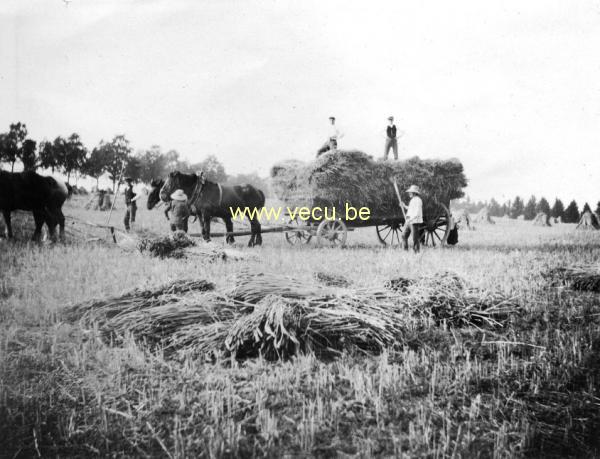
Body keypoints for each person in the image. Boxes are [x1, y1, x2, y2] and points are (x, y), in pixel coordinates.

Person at [401, 185, 423, 252]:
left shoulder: (418, 200)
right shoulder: (412, 200)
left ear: (414, 193)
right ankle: (405, 251)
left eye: (410, 192)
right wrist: (404, 206)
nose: (409, 193)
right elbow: (410, 209)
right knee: (403, 235)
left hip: (414, 222)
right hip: (409, 221)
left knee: (415, 239)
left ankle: (416, 253)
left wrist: (411, 219)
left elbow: (417, 212)